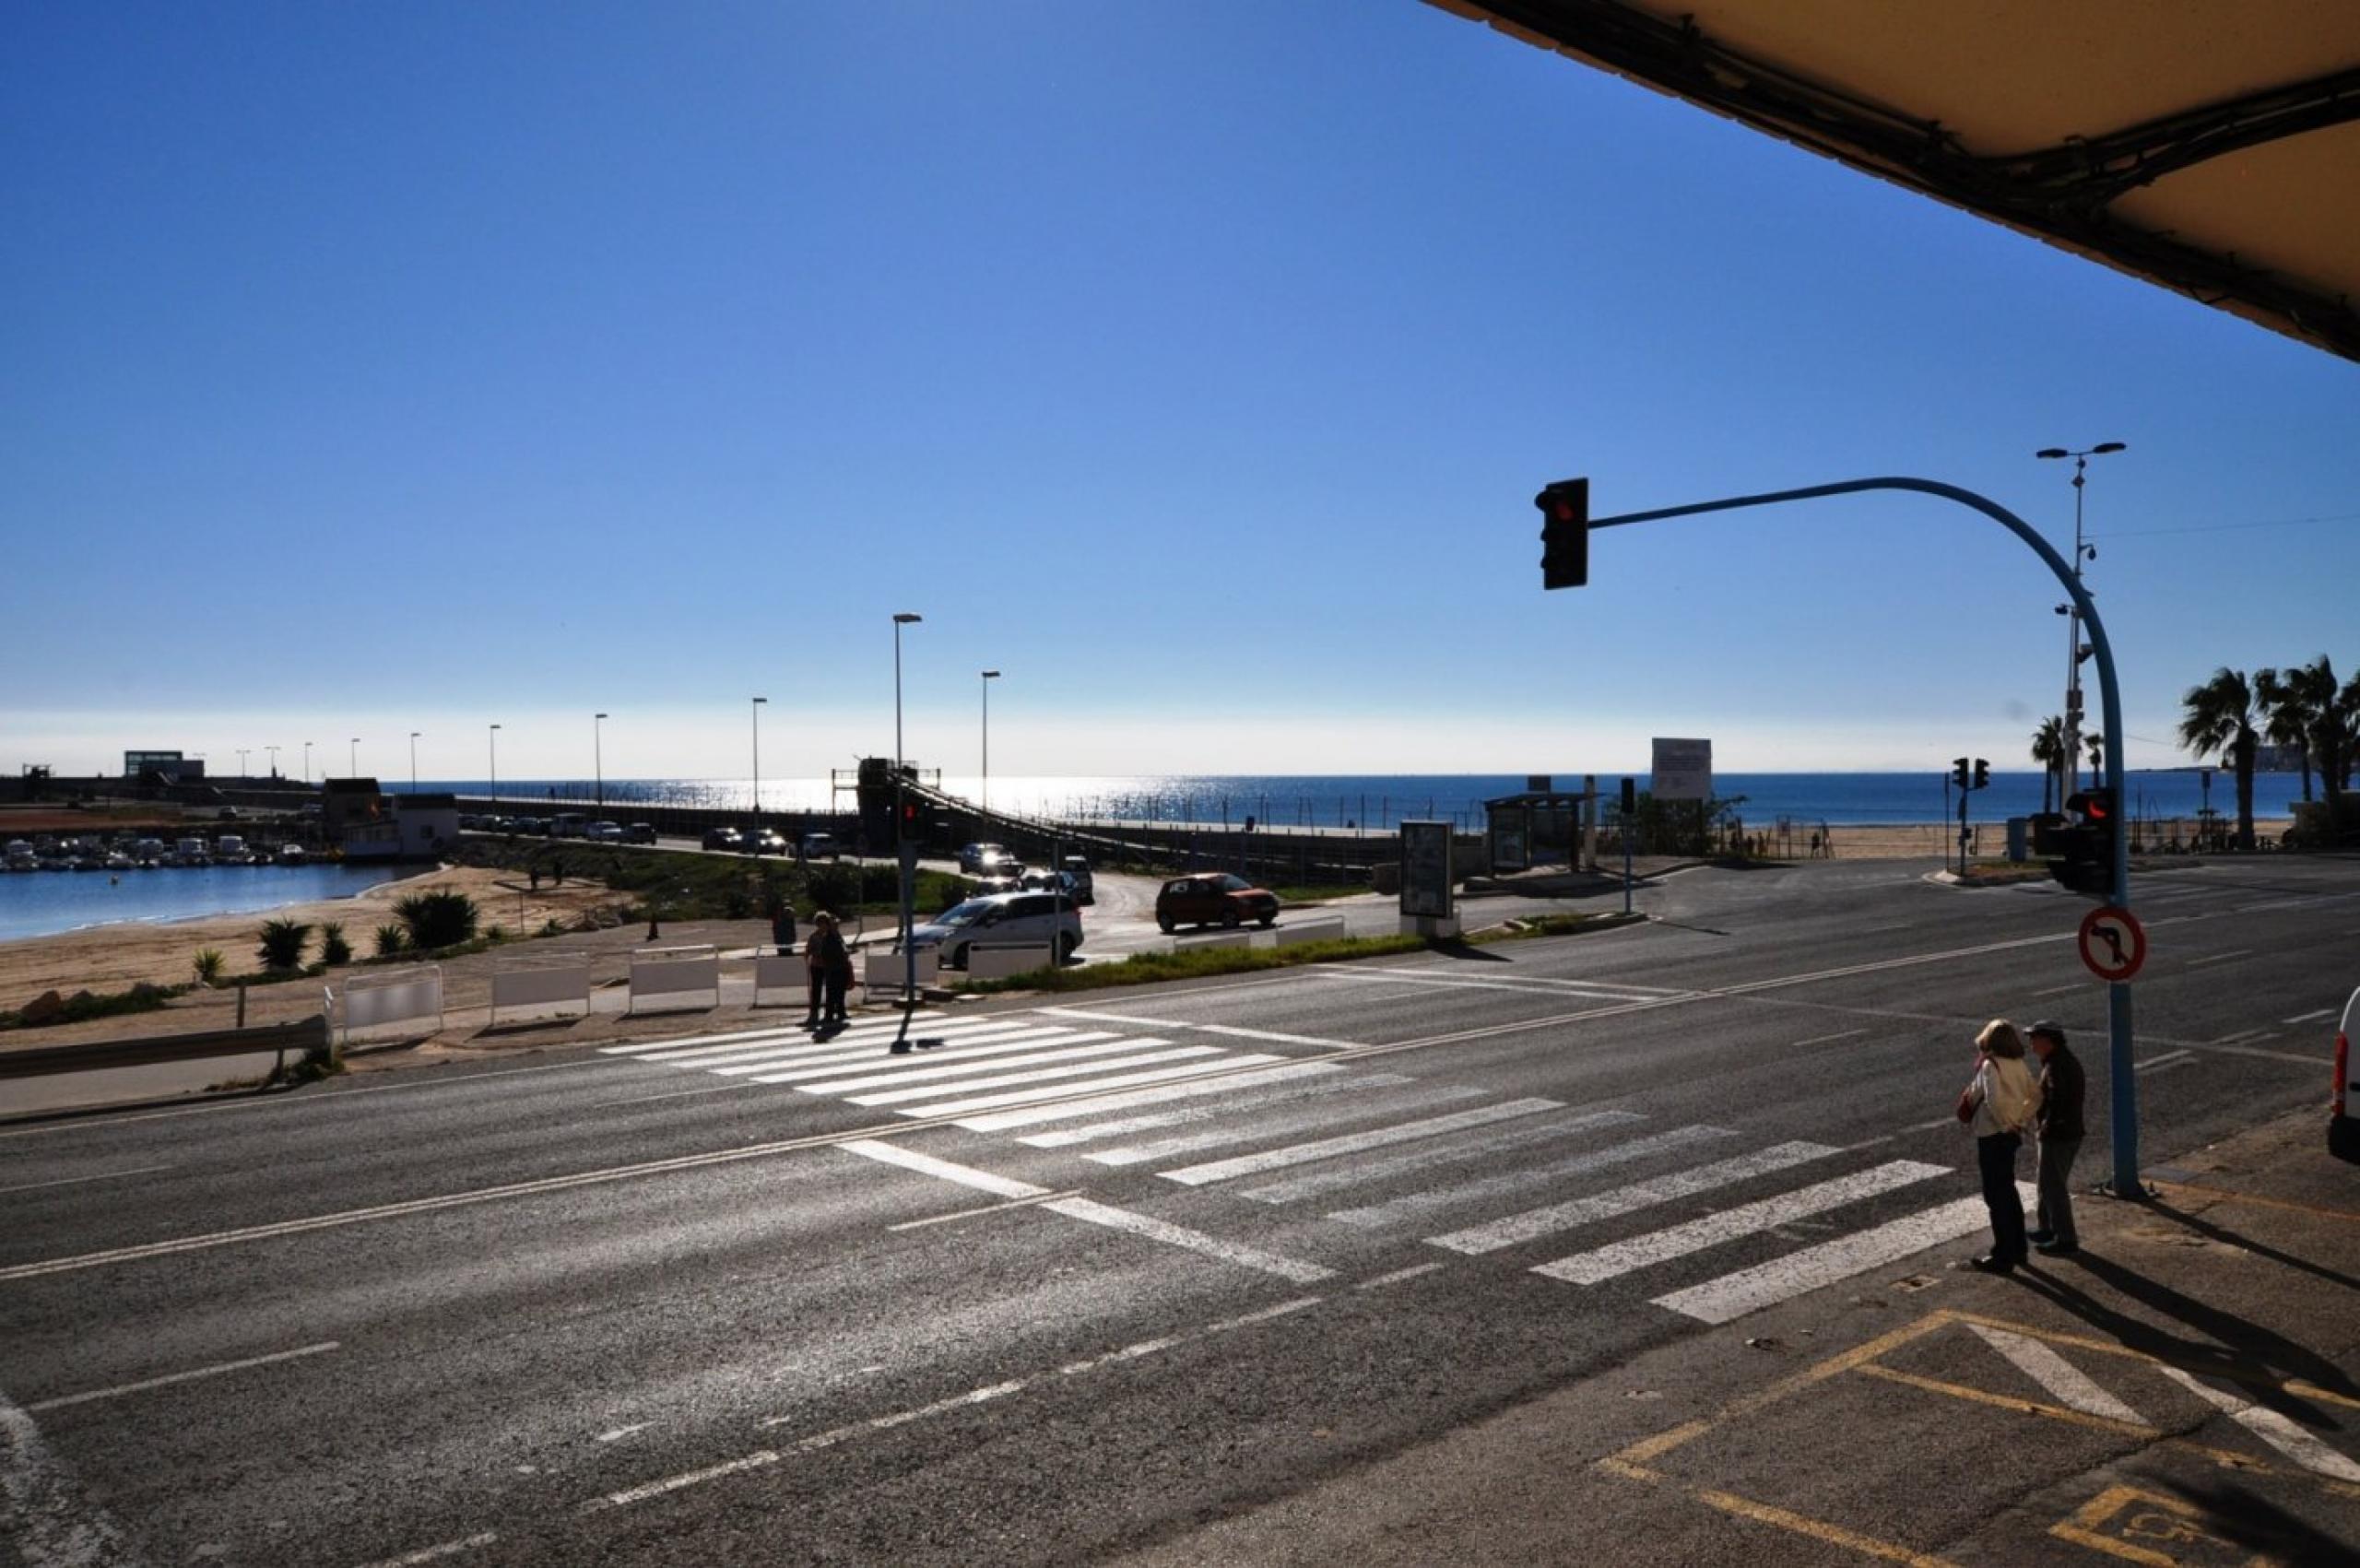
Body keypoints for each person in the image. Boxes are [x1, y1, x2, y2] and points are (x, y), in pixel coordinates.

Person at [1958, 1019, 2041, 1273]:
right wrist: (2021, 1119)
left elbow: (1992, 1101)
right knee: (2008, 1191)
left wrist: (2006, 1123)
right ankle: (2019, 1250)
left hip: (1993, 1135)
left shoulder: (1989, 1065)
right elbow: (2036, 1094)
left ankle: (2002, 1255)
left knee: (1995, 1195)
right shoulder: (2018, 1063)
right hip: (2011, 1134)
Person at [2026, 1020, 2085, 1256]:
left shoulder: (2057, 1065)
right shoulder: (2057, 1060)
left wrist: (2048, 1127)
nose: (2031, 1042)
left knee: (2054, 1188)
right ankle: (2046, 1228)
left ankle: (2066, 1240)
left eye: (2035, 1038)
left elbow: (2060, 1100)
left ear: (2048, 1041)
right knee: (2046, 1184)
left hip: (2059, 1136)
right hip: (2062, 1133)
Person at [804, 911, 851, 1027]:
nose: (822, 925)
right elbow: (808, 951)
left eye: (824, 923)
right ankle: (814, 1013)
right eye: (820, 923)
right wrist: (815, 955)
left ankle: (833, 1012)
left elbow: (842, 947)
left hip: (830, 966)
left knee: (833, 990)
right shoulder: (814, 936)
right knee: (816, 990)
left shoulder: (834, 935)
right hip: (817, 965)